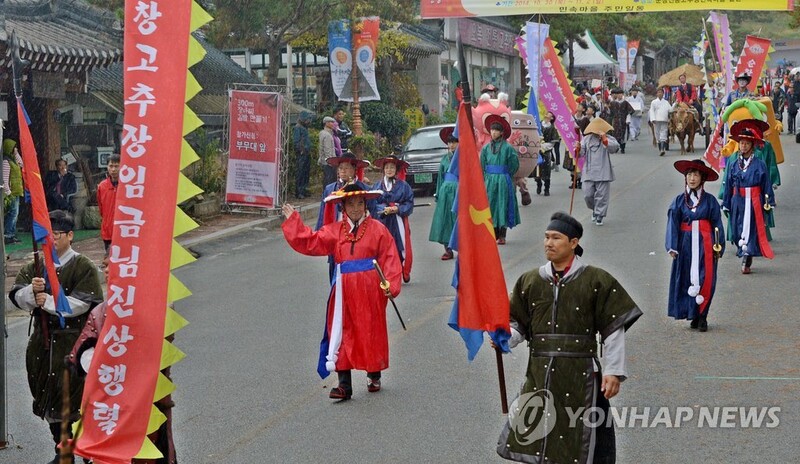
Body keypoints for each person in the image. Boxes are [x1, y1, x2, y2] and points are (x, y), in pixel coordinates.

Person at [497, 211, 642, 464]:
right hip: (540, 374)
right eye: (546, 237)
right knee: (538, 440)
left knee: (580, 443)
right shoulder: (530, 281)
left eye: (556, 238)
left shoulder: (596, 280)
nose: (548, 243)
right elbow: (518, 324)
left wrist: (613, 372)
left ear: (573, 243)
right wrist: (502, 338)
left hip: (581, 376)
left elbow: (613, 329)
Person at [282, 184, 402, 400]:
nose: (355, 208)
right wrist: (294, 222)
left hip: (371, 289)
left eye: (359, 203)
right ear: (343, 206)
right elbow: (311, 241)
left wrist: (391, 285)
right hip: (343, 291)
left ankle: (373, 374)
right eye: (350, 203)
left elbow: (390, 257)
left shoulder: (378, 229)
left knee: (370, 329)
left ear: (366, 205)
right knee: (341, 330)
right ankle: (344, 384)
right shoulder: (335, 231)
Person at [8, 210, 104, 464]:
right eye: (47, 235)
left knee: (76, 397)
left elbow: (85, 302)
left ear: (70, 236)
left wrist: (48, 300)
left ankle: (87, 449)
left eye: (57, 234)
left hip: (74, 343)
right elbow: (16, 295)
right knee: (49, 394)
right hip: (44, 344)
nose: (51, 240)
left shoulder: (83, 266)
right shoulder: (35, 266)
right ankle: (62, 449)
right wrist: (32, 291)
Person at [666, 159, 725, 332]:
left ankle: (703, 316)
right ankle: (693, 313)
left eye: (696, 175)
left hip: (706, 244)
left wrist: (718, 245)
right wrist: (672, 246)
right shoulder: (678, 201)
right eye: (689, 175)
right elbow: (672, 224)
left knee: (706, 278)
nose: (692, 178)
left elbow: (717, 224)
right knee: (686, 278)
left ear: (702, 178)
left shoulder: (710, 201)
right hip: (685, 245)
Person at [722, 124, 775, 274]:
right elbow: (728, 185)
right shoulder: (733, 165)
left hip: (754, 201)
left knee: (751, 228)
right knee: (738, 228)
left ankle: (747, 256)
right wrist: (726, 202)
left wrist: (768, 201)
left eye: (746, 143)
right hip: (737, 200)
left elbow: (766, 184)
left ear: (752, 146)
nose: (743, 146)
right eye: (741, 143)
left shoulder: (759, 164)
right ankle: (743, 251)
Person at [373, 155, 414, 283]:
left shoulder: (404, 186)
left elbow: (409, 202)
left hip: (398, 220)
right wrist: (384, 208)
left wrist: (398, 209)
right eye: (387, 167)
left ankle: (403, 270)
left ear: (396, 170)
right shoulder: (377, 186)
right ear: (383, 170)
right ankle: (387, 273)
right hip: (383, 220)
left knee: (400, 246)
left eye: (392, 167)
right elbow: (373, 202)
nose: (389, 170)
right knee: (383, 246)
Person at [480, 115, 520, 245]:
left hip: (503, 179)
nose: (493, 133)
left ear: (501, 133)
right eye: (492, 130)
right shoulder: (486, 148)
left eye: (496, 130)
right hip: (489, 180)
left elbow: (514, 164)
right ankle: (493, 232)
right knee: (491, 205)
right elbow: (481, 164)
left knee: (502, 204)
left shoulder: (508, 148)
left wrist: (506, 174)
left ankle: (502, 235)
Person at [579, 118, 618, 226]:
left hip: (603, 171)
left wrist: (605, 140)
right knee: (587, 194)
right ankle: (594, 209)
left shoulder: (608, 138)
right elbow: (581, 153)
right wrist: (578, 148)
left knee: (602, 195)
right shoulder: (586, 139)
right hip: (589, 171)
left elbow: (614, 148)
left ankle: (599, 215)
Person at [429, 127, 458, 260]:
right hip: (446, 191)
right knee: (445, 220)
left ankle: (463, 248)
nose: (451, 145)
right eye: (449, 142)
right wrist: (438, 193)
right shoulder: (444, 159)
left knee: (458, 220)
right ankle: (448, 249)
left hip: (459, 191)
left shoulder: (465, 157)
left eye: (454, 142)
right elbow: (441, 177)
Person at [97, 153, 120, 251]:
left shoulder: (128, 186)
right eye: (111, 166)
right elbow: (101, 208)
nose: (113, 169)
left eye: (116, 166)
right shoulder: (102, 186)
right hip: (108, 230)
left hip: (123, 230)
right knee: (109, 260)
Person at [3, 138, 24, 244]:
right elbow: (5, 179)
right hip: (11, 193)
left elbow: (21, 164)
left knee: (15, 213)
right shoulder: (6, 162)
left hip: (16, 191)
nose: (16, 149)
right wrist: (8, 193)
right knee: (12, 213)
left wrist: (16, 154)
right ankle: (8, 235)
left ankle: (11, 234)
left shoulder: (13, 160)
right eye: (14, 147)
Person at [292, 112, 312, 199]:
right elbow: (296, 141)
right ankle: (299, 191)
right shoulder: (298, 128)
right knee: (300, 173)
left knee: (305, 173)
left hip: (306, 153)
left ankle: (303, 190)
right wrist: (301, 150)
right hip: (302, 154)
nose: (308, 121)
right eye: (307, 119)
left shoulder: (304, 128)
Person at [608, 88, 634, 153]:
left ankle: (623, 147)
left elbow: (631, 110)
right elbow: (610, 113)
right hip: (615, 121)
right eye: (618, 94)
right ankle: (616, 147)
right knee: (615, 134)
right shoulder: (613, 103)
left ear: (622, 95)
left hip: (623, 121)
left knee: (623, 134)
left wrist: (627, 116)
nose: (619, 95)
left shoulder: (625, 103)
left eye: (621, 94)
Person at [650, 88, 671, 156]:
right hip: (656, 120)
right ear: (657, 94)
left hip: (664, 120)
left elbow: (670, 110)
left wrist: (675, 104)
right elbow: (652, 111)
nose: (660, 93)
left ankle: (662, 149)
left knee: (663, 134)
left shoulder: (666, 102)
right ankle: (660, 148)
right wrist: (652, 119)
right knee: (657, 134)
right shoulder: (653, 102)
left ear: (663, 93)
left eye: (661, 92)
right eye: (658, 92)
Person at [318, 116, 337, 186]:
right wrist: (331, 161)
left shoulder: (322, 133)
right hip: (328, 162)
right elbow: (327, 149)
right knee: (329, 180)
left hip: (325, 161)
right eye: (331, 122)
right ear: (326, 123)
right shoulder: (327, 135)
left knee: (326, 179)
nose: (333, 124)